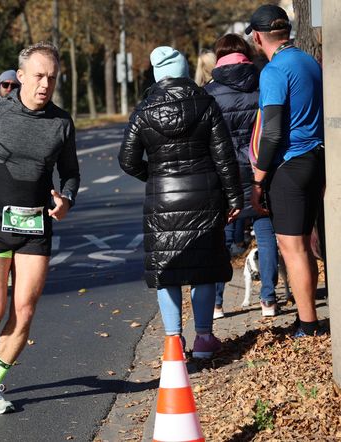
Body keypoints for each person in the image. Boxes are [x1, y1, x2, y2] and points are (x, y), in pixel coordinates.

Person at [0, 41, 80, 414]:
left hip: (36, 226)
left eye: (52, 78)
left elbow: (70, 172)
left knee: (24, 310)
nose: (45, 85)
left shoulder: (61, 122)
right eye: (38, 76)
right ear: (20, 76)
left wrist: (66, 199)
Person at [119, 46, 242, 359]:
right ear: (185, 71)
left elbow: (127, 159)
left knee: (168, 268)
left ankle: (173, 341)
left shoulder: (143, 110)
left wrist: (155, 176)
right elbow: (224, 156)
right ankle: (203, 338)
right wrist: (233, 197)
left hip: (162, 199)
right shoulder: (205, 103)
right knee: (203, 268)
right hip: (205, 195)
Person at [246, 4, 325, 337]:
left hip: (290, 165)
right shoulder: (310, 62)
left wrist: (259, 179)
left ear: (257, 35)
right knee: (305, 246)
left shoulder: (273, 71)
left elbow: (273, 130)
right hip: (317, 158)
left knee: (292, 249)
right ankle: (307, 318)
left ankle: (308, 324)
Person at [204, 33, 281, 319]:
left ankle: (216, 304)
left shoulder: (210, 92)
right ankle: (268, 300)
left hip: (226, 174)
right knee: (266, 234)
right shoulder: (263, 81)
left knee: (222, 239)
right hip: (260, 168)